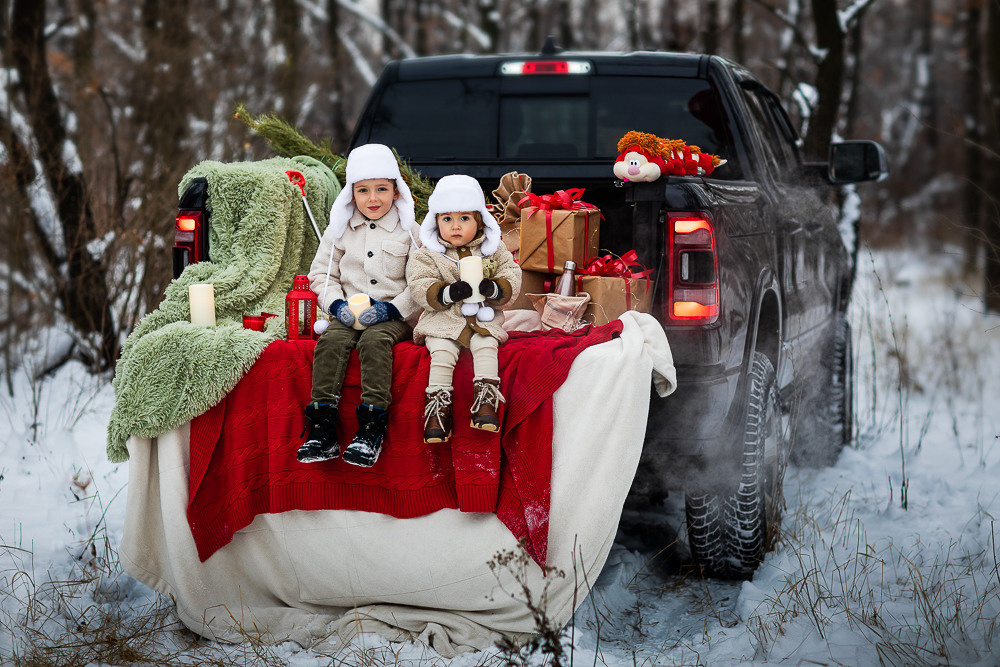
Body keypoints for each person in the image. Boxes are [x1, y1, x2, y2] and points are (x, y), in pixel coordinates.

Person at [297, 144, 420, 467]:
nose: (373, 198)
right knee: (332, 341)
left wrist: (392, 310)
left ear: (396, 191)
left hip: (391, 312)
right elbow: (322, 274)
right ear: (352, 194)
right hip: (349, 311)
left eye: (382, 189)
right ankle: (322, 427)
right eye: (363, 190)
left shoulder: (409, 231)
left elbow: (420, 282)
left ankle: (371, 426)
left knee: (374, 341)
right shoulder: (340, 229)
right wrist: (336, 305)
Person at [406, 174, 522, 442]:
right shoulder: (428, 254)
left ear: (479, 220)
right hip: (443, 320)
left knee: (486, 345)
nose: (455, 226)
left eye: (464, 218)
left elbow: (512, 274)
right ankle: (437, 410)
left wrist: (493, 289)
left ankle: (486, 402)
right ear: (436, 221)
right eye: (447, 219)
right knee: (442, 352)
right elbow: (419, 283)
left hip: (483, 318)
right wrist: (448, 292)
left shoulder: (494, 250)